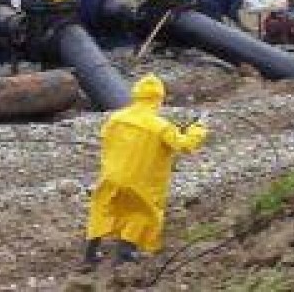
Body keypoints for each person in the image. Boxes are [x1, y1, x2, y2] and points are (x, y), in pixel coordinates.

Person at [83, 74, 208, 268]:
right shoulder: (161, 126)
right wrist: (198, 128)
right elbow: (185, 145)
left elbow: (105, 138)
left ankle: (90, 255)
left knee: (101, 209)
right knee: (140, 213)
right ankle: (125, 254)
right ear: (159, 98)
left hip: (111, 175)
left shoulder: (116, 118)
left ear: (136, 95)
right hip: (140, 182)